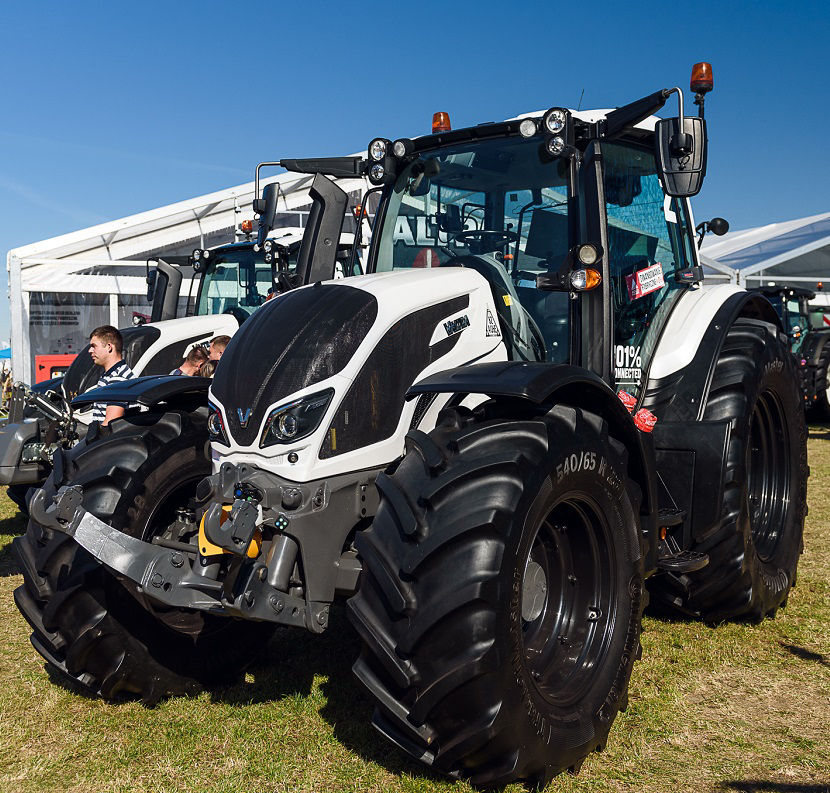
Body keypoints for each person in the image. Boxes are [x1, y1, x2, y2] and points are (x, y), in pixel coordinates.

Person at [87, 325, 134, 425]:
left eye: (94, 346)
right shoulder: (110, 376)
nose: (90, 351)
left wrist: (91, 440)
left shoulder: (118, 379)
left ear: (109, 347)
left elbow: (110, 424)